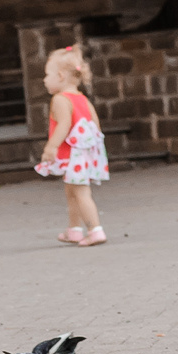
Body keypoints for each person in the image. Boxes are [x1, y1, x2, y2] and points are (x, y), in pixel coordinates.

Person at [36, 44, 108, 244]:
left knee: (82, 194)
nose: (44, 79)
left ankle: (95, 230)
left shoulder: (60, 99)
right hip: (83, 155)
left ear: (60, 76)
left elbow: (64, 126)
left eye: (47, 75)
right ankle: (74, 230)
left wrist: (51, 148)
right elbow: (95, 125)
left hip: (72, 155)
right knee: (72, 193)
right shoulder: (82, 99)